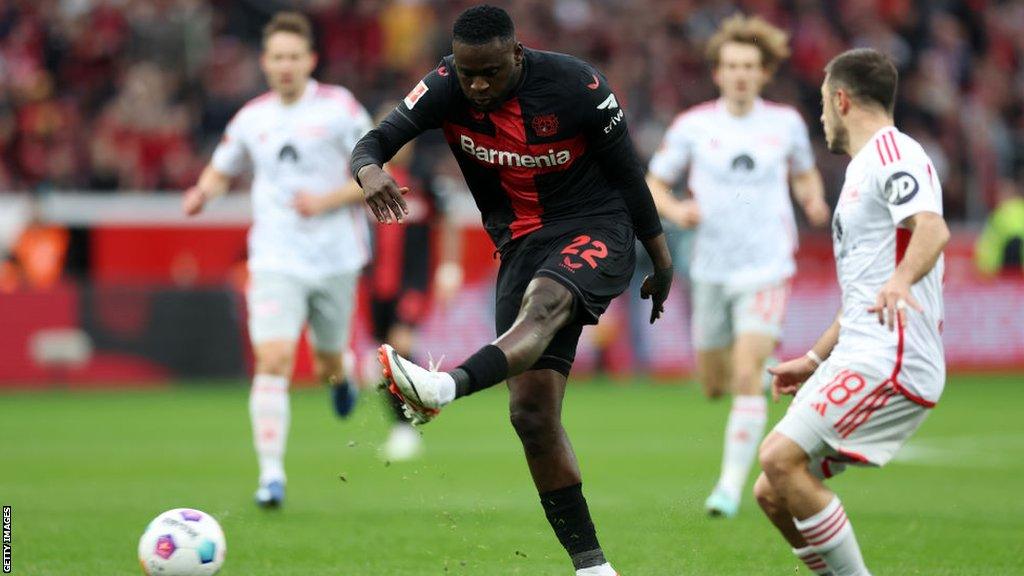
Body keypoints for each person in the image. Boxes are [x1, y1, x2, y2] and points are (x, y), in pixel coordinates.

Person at [351, 6, 673, 575]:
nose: (477, 85)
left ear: (517, 55)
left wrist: (661, 256)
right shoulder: (445, 85)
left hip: (596, 226)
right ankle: (594, 568)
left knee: (544, 304)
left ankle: (443, 386)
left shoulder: (579, 86)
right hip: (519, 246)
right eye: (469, 73)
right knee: (530, 414)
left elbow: (629, 174)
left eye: (491, 73)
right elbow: (375, 140)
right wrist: (369, 170)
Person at [755, 48, 949, 575]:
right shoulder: (862, 171)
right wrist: (814, 360)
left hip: (894, 354)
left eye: (822, 104)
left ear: (841, 99)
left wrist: (902, 280)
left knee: (778, 457)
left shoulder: (894, 154)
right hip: (859, 350)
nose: (821, 117)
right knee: (773, 490)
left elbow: (931, 227)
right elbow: (863, 294)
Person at [182, 12, 373, 509]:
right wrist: (203, 192)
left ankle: (343, 376)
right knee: (274, 360)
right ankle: (271, 476)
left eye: (294, 56)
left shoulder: (340, 108)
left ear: (309, 60)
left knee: (328, 360)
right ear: (265, 63)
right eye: (277, 57)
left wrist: (325, 201)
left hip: (334, 257)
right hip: (273, 258)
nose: (285, 65)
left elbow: (378, 171)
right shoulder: (252, 118)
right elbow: (221, 169)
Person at [645, 14, 830, 518]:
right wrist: (678, 209)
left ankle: (727, 488)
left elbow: (805, 175)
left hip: (767, 265)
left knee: (749, 373)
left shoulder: (786, 123)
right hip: (709, 269)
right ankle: (743, 411)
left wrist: (813, 201)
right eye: (732, 66)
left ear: (764, 71)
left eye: (750, 66)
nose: (741, 74)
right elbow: (654, 184)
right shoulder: (694, 126)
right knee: (713, 382)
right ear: (718, 72)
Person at [367, 104, 463, 462]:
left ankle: (404, 427)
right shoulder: (366, 178)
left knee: (399, 345)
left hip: (413, 280)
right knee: (386, 356)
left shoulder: (425, 176)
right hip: (376, 285)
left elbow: (449, 220)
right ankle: (418, 401)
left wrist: (449, 268)